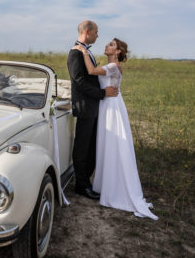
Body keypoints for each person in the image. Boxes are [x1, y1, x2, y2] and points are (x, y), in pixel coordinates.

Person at [73, 38, 158, 219]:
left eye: (111, 45)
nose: (106, 45)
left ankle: (114, 186)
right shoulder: (109, 65)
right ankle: (105, 182)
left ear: (118, 51)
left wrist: (83, 51)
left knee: (113, 143)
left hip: (110, 106)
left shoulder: (113, 66)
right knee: (105, 144)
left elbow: (90, 71)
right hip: (106, 104)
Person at [67, 20, 118, 200]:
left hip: (93, 105)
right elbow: (79, 82)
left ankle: (87, 180)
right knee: (82, 147)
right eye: (96, 32)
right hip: (85, 106)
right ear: (88, 32)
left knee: (91, 145)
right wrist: (102, 93)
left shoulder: (86, 51)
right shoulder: (75, 53)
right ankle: (81, 185)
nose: (98, 35)